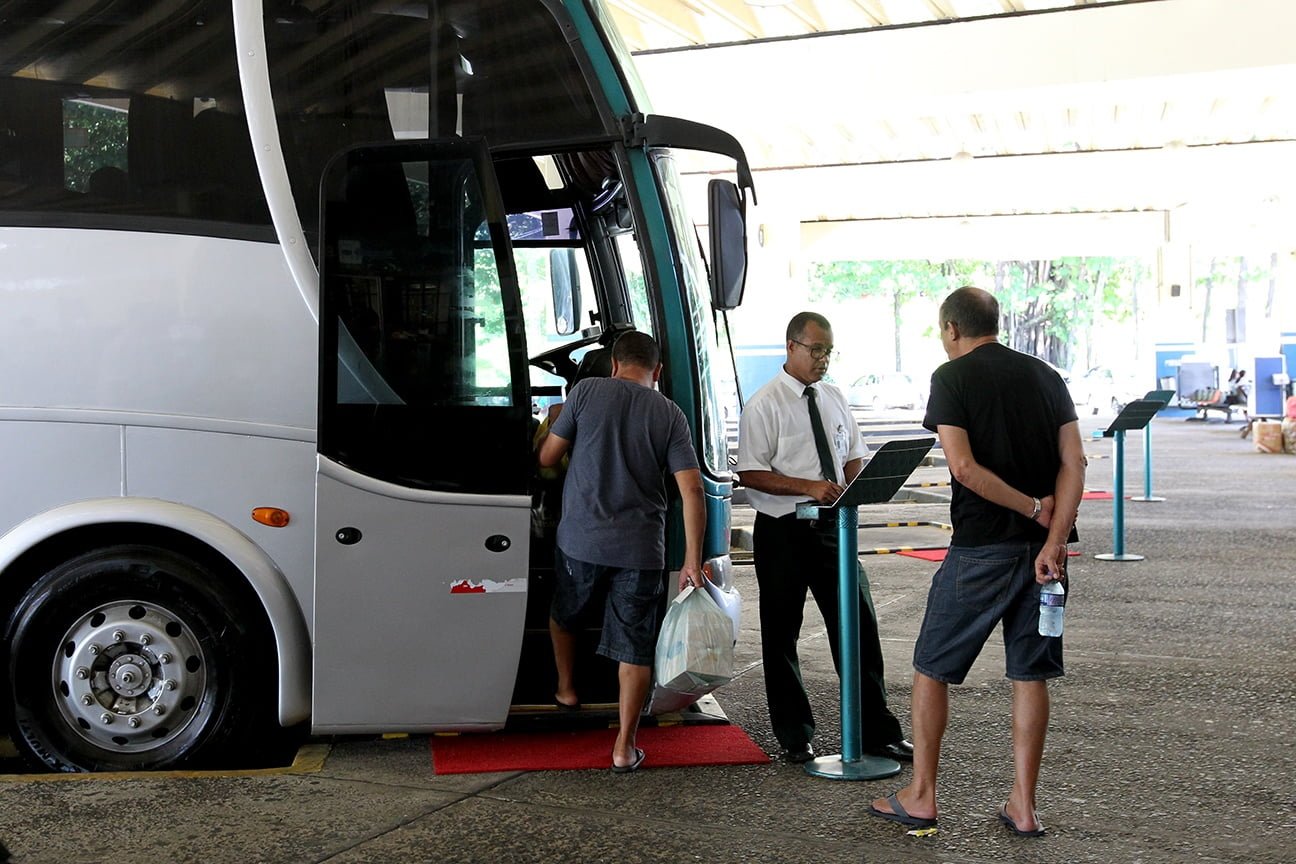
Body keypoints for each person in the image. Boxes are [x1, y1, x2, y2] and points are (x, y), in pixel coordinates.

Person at [869, 286, 1085, 837]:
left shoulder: (952, 378)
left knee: (931, 667)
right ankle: (1025, 804)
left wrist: (1033, 508)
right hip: (1046, 557)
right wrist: (1054, 538)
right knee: (1030, 673)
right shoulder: (1046, 376)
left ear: (950, 328)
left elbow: (963, 469)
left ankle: (921, 794)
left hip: (981, 548)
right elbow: (1075, 461)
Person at [737, 311, 911, 765]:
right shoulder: (764, 404)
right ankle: (795, 735)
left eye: (829, 351)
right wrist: (805, 486)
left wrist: (865, 482)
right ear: (791, 346)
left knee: (859, 628)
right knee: (781, 635)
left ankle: (876, 730)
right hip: (783, 531)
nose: (823, 360)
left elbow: (852, 457)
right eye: (816, 350)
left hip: (835, 528)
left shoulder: (834, 397)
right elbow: (750, 473)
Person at [538, 330, 705, 773]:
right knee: (634, 649)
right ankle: (624, 746)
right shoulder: (670, 414)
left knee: (564, 615)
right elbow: (691, 491)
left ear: (614, 364)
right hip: (641, 551)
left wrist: (558, 424)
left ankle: (567, 688)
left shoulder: (586, 391)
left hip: (580, 543)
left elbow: (547, 458)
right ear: (658, 371)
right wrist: (691, 561)